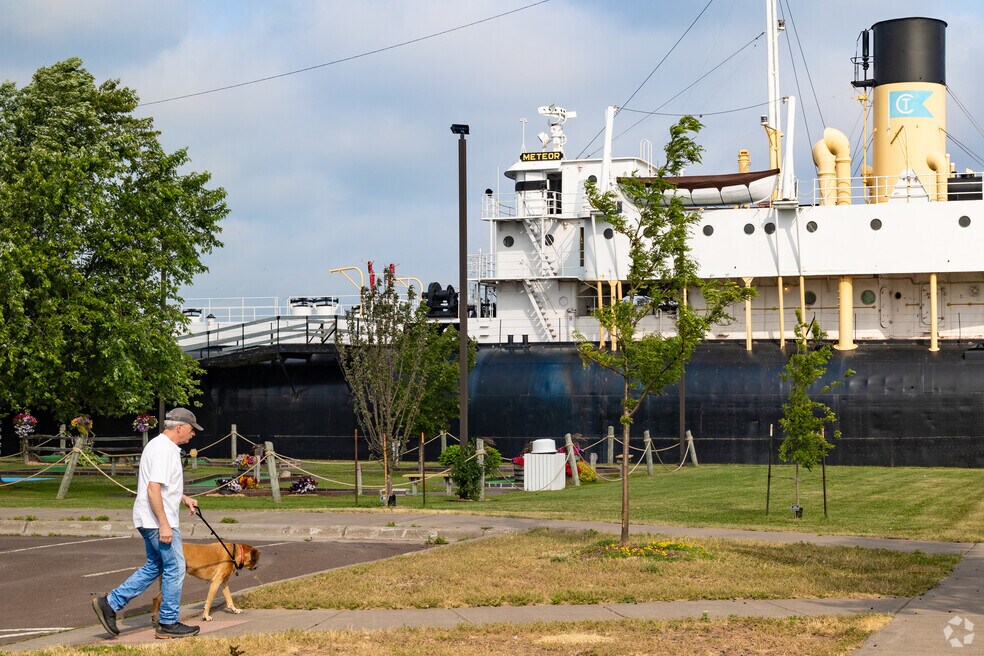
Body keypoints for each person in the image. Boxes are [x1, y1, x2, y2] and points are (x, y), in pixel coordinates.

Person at [91, 408, 203, 639]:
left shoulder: (158, 445)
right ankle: (168, 622)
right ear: (180, 427)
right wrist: (164, 524)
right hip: (158, 521)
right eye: (192, 430)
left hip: (147, 517)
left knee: (156, 565)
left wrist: (182, 497)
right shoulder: (165, 450)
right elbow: (153, 489)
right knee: (176, 567)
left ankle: (109, 604)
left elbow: (160, 485)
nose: (193, 435)